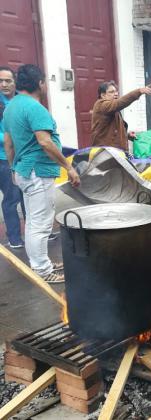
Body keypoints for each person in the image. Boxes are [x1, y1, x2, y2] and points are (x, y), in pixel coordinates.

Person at [3, 64, 80, 283]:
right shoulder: (35, 107)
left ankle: (41, 262)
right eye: (45, 81)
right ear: (39, 83)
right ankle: (43, 270)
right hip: (37, 171)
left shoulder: (12, 107)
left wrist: (13, 168)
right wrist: (69, 167)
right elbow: (45, 141)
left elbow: (9, 144)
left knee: (34, 221)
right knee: (40, 222)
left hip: (25, 170)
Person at [91, 80, 151, 151]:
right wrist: (139, 91)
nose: (116, 94)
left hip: (114, 152)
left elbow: (112, 130)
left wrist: (127, 135)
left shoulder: (111, 108)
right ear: (103, 95)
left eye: (116, 91)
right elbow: (119, 103)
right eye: (111, 92)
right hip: (105, 152)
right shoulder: (102, 105)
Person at [0, 66, 25, 248]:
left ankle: (36, 233)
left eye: (7, 80)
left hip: (24, 157)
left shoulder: (21, 100)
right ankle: (14, 238)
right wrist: (14, 137)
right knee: (12, 197)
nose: (3, 84)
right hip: (3, 159)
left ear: (15, 81)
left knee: (28, 195)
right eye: (0, 81)